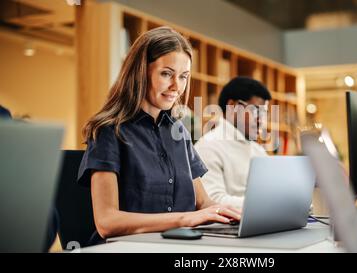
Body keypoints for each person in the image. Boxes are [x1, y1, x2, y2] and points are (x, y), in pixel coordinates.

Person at [77, 26, 240, 244]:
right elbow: (107, 222)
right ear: (141, 72)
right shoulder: (108, 131)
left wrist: (240, 215)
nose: (177, 86)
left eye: (183, 77)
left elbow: (203, 204)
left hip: (176, 245)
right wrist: (185, 219)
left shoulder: (178, 132)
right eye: (166, 74)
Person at [194, 76, 272, 208]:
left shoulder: (258, 150)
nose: (260, 120)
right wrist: (268, 204)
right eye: (255, 110)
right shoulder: (208, 146)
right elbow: (212, 201)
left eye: (264, 113)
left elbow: (271, 193)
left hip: (261, 221)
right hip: (227, 226)